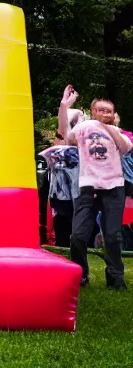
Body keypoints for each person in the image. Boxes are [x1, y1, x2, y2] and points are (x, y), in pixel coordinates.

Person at [59, 85, 130, 290]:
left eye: (109, 111)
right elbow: (66, 136)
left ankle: (115, 278)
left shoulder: (118, 132)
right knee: (78, 236)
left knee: (112, 236)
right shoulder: (84, 128)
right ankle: (82, 275)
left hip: (114, 187)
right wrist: (64, 106)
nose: (105, 113)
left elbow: (125, 148)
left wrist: (107, 127)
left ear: (113, 114)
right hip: (88, 187)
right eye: (101, 110)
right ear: (93, 111)